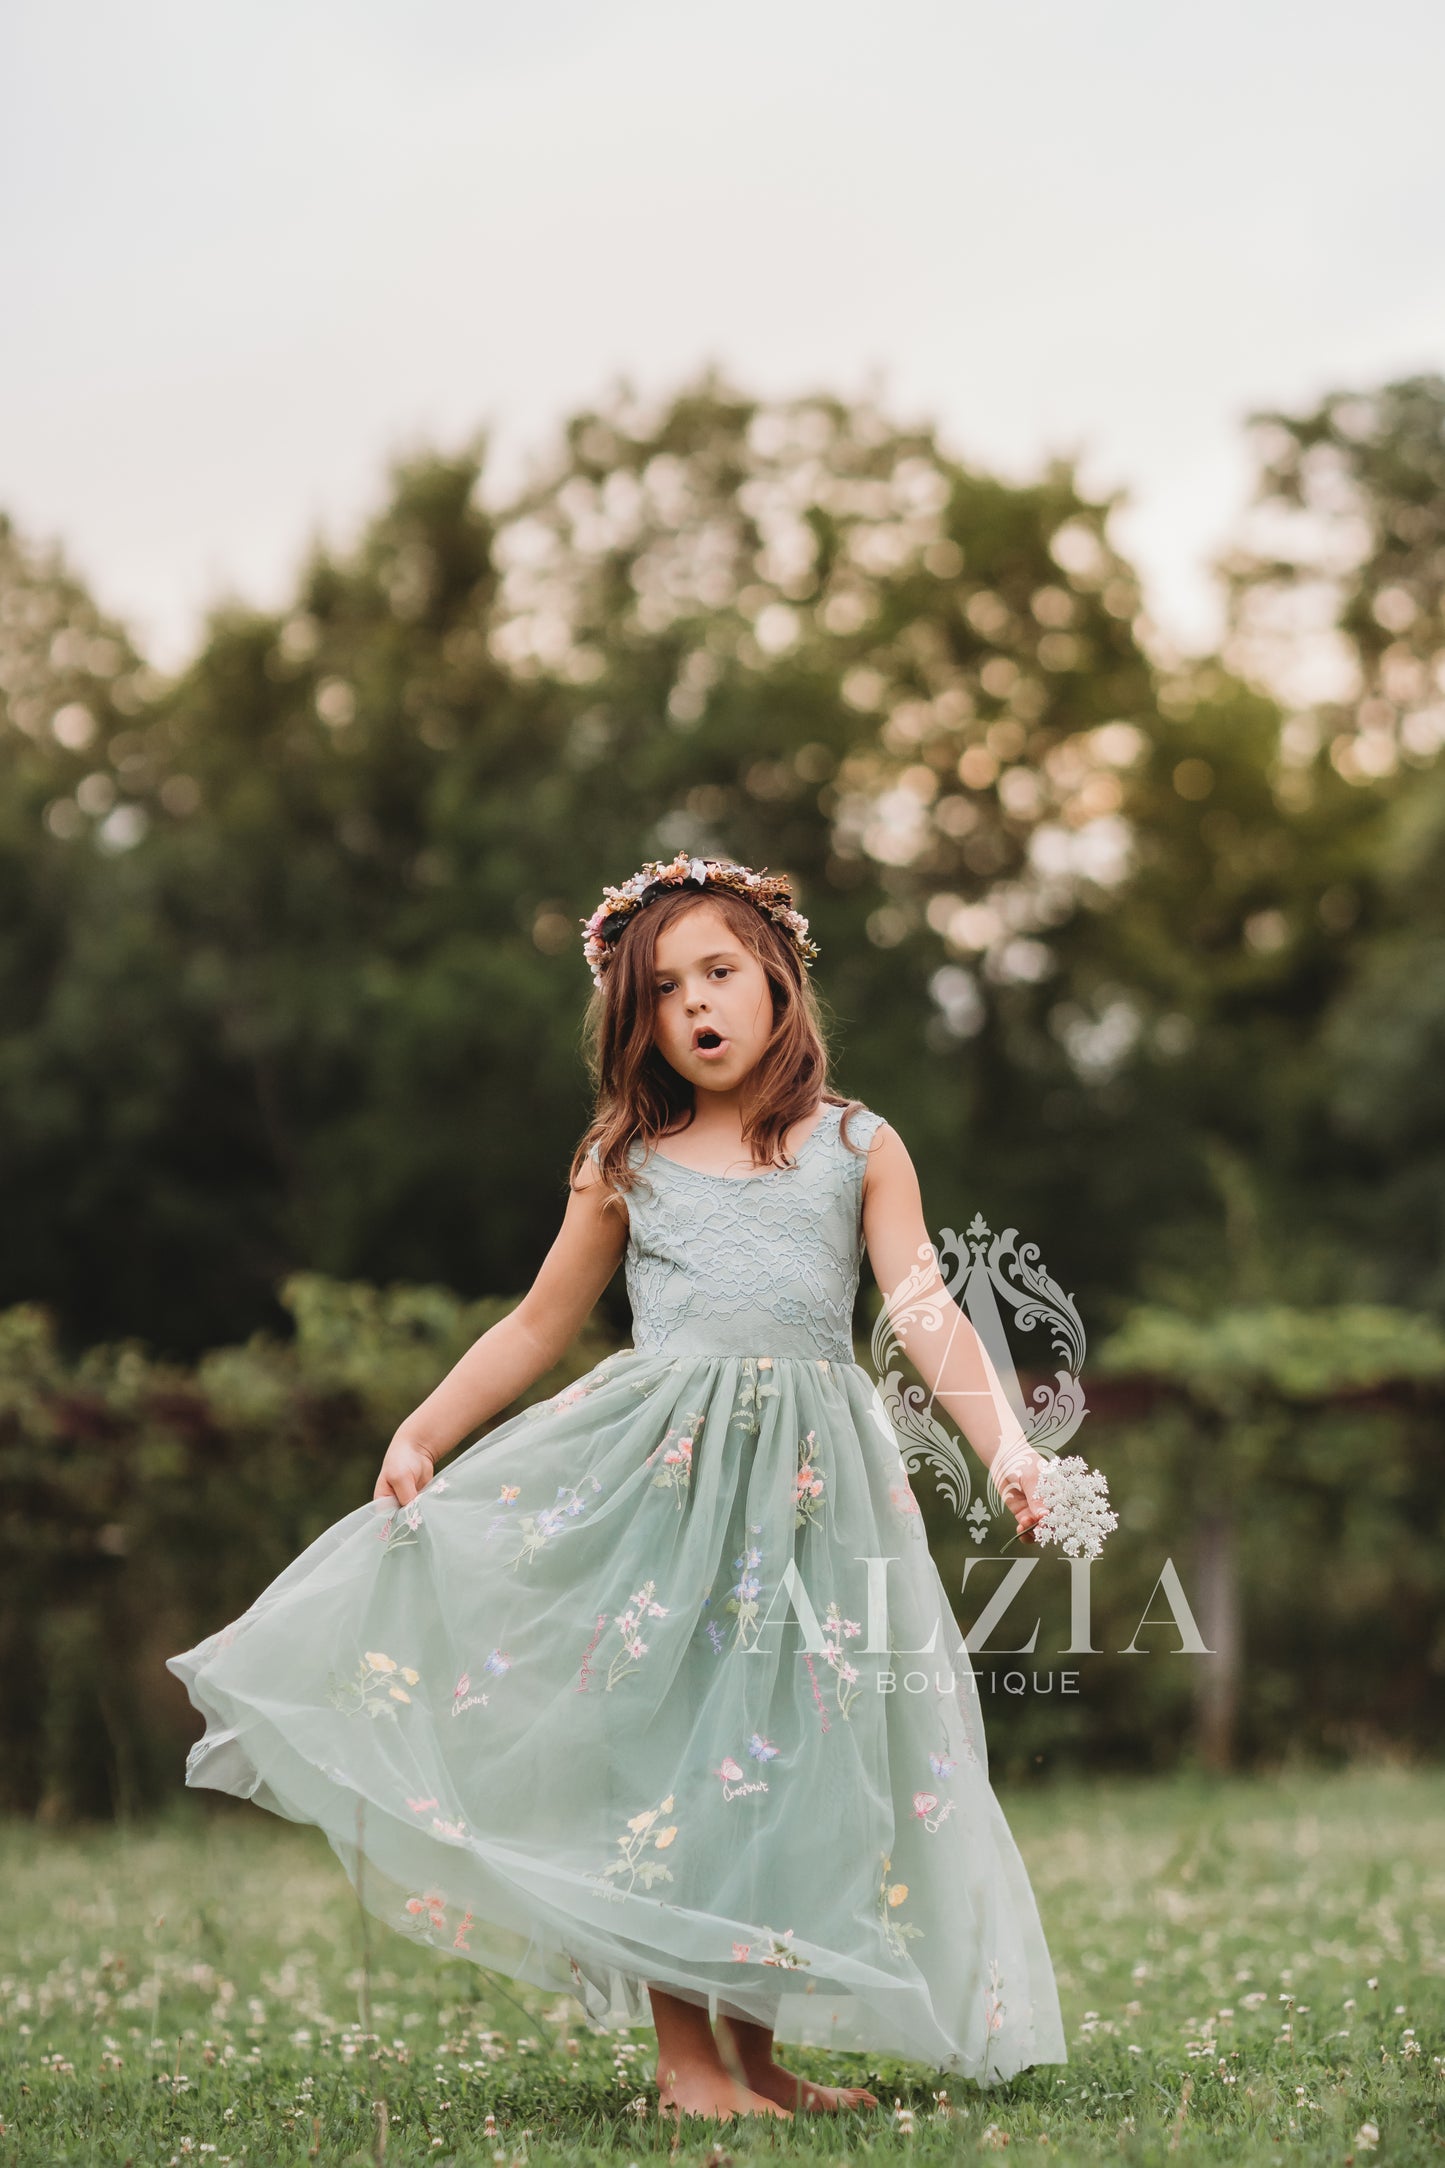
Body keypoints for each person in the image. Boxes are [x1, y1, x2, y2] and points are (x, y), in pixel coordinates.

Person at [166, 850, 1068, 2125]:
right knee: (664, 1755)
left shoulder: (857, 1145)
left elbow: (920, 1304)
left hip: (810, 1492)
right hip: (664, 1480)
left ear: (776, 982)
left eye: (717, 972)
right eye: (660, 990)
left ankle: (753, 2056)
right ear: (631, 1019)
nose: (693, 1004)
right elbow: (538, 1323)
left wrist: (1010, 1451)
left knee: (777, 1754)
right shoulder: (625, 1157)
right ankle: (684, 2065)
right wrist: (425, 1424)